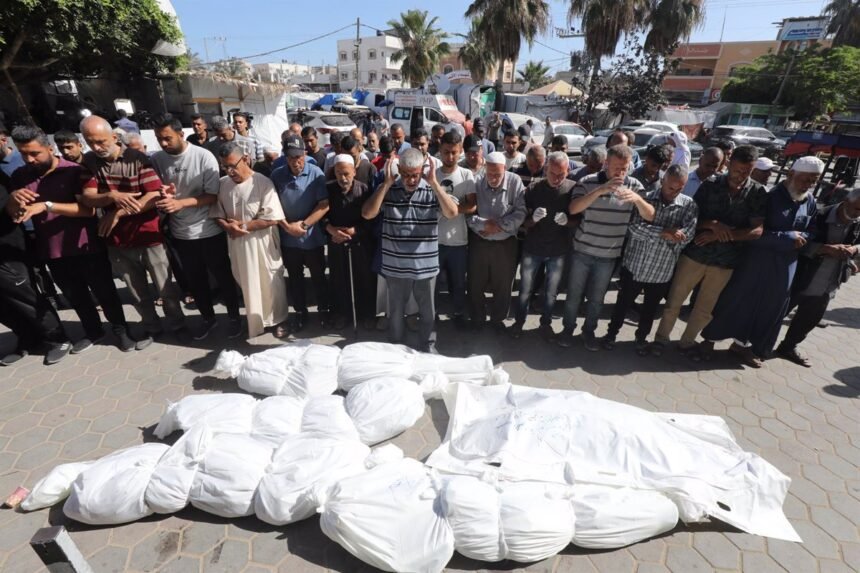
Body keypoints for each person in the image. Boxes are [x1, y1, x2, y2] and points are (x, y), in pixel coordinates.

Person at [7, 126, 150, 355]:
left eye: (35, 153)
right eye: (24, 154)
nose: (30, 159)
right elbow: (14, 211)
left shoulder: (74, 171)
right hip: (52, 249)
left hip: (86, 245)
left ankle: (121, 330)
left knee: (105, 292)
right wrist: (14, 200)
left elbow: (88, 210)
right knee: (76, 296)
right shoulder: (20, 176)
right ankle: (93, 331)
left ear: (49, 148)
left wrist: (47, 206)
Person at [701, 156, 822, 367]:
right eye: (805, 179)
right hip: (755, 261)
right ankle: (709, 341)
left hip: (785, 265)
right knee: (736, 301)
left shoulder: (809, 201)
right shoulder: (769, 196)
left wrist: (802, 237)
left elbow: (812, 230)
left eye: (813, 181)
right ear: (791, 174)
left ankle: (742, 346)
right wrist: (786, 238)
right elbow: (753, 231)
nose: (808, 185)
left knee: (768, 308)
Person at [653, 145, 766, 360]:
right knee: (674, 302)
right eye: (737, 170)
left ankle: (687, 343)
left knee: (705, 309)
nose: (741, 175)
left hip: (725, 262)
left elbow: (757, 231)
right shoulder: (711, 184)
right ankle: (660, 339)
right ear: (729, 164)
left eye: (747, 171)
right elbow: (690, 218)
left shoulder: (758, 192)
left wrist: (723, 235)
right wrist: (712, 224)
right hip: (695, 255)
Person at [78, 115, 187, 338]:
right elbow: (87, 197)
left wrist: (118, 212)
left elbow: (153, 196)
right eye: (90, 142)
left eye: (101, 141)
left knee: (165, 288)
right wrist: (111, 196)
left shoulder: (137, 159)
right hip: (117, 241)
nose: (97, 147)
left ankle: (178, 325)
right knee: (137, 293)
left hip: (148, 235)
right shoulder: (89, 162)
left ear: (114, 137)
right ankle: (152, 328)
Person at [151, 114, 243, 340]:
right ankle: (208, 319)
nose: (163, 143)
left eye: (168, 138)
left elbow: (212, 195)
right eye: (159, 139)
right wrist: (164, 194)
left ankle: (234, 318)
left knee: (223, 277)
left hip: (209, 230)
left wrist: (180, 202)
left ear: (181, 134)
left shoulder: (203, 156)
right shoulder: (157, 159)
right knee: (196, 281)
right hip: (180, 234)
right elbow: (156, 190)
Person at [362, 148, 459, 351]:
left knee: (427, 310)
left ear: (422, 170)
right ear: (398, 169)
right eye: (406, 174)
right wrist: (386, 183)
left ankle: (427, 345)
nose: (411, 180)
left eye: (415, 175)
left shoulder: (432, 189)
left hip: (425, 266)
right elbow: (368, 214)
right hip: (395, 266)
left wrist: (434, 183)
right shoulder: (388, 189)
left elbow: (452, 213)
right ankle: (396, 346)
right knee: (396, 310)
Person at [558, 144, 652, 349]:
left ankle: (588, 332)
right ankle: (567, 330)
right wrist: (601, 190)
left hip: (608, 255)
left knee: (597, 299)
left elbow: (650, 215)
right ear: (606, 164)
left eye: (625, 168)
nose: (621, 173)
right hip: (582, 251)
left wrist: (638, 200)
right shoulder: (587, 181)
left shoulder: (634, 185)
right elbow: (573, 209)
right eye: (617, 167)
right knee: (573, 296)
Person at [602, 164, 697, 355]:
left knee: (650, 310)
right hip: (635, 265)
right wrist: (665, 232)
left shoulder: (688, 205)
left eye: (679, 189)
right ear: (662, 181)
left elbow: (686, 236)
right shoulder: (644, 198)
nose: (674, 192)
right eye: (670, 187)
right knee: (622, 304)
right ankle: (610, 335)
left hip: (661, 270)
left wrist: (663, 234)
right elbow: (634, 228)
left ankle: (641, 339)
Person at [211, 142, 288, 338]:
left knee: (271, 283)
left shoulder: (263, 183)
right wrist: (227, 226)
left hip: (263, 244)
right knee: (248, 284)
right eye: (225, 167)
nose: (230, 171)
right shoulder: (222, 184)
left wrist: (243, 227)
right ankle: (256, 322)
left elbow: (272, 218)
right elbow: (217, 213)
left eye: (232, 166)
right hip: (238, 246)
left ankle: (279, 320)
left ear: (245, 159)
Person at [776, 188, 860, 367]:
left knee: (808, 320)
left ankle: (788, 347)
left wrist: (854, 250)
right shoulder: (819, 215)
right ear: (846, 201)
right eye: (857, 209)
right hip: (802, 277)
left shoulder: (857, 222)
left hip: (828, 283)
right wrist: (824, 249)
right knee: (775, 313)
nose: (858, 214)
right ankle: (753, 346)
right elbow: (796, 242)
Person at [0, 180, 74, 366]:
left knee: (27, 299)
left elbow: (11, 206)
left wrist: (13, 201)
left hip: (6, 252)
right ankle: (28, 338)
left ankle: (58, 338)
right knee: (3, 307)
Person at [510, 151, 575, 339]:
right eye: (552, 173)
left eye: (561, 174)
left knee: (551, 292)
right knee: (525, 290)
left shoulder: (572, 189)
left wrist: (567, 221)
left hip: (558, 250)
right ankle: (519, 322)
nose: (556, 178)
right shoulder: (533, 189)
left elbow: (578, 219)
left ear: (568, 170)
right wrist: (533, 219)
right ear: (546, 169)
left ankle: (545, 324)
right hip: (533, 248)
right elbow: (523, 222)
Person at [271, 134, 331, 333]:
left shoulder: (316, 173)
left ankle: (324, 310)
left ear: (304, 154)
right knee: (295, 278)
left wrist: (304, 225)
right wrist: (287, 227)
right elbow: (272, 206)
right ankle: (300, 312)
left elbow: (324, 205)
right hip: (288, 238)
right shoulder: (277, 175)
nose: (295, 161)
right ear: (285, 157)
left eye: (298, 157)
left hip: (312, 237)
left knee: (318, 276)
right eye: (291, 157)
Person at [467, 152, 527, 332]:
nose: (493, 178)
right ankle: (477, 317)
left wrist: (499, 226)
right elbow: (468, 214)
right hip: (480, 240)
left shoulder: (515, 181)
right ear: (485, 168)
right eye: (490, 173)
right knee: (475, 282)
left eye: (497, 174)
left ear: (505, 169)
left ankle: (498, 319)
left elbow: (521, 212)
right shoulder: (476, 181)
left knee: (503, 284)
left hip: (505, 243)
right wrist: (484, 224)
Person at [325, 154, 377, 329]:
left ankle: (366, 315)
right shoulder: (328, 189)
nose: (343, 178)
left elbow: (371, 219)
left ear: (354, 171)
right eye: (339, 173)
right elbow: (321, 216)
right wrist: (331, 229)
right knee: (338, 280)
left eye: (346, 173)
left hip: (360, 243)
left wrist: (355, 230)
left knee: (364, 279)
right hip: (336, 241)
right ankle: (341, 314)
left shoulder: (364, 190)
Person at [435, 131, 477, 328]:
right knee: (433, 283)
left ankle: (459, 313)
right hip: (435, 240)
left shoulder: (466, 175)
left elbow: (472, 205)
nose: (450, 157)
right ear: (440, 150)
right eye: (446, 152)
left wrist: (452, 209)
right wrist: (442, 208)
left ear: (460, 151)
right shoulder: (433, 175)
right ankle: (431, 314)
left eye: (454, 152)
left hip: (459, 240)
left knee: (459, 283)